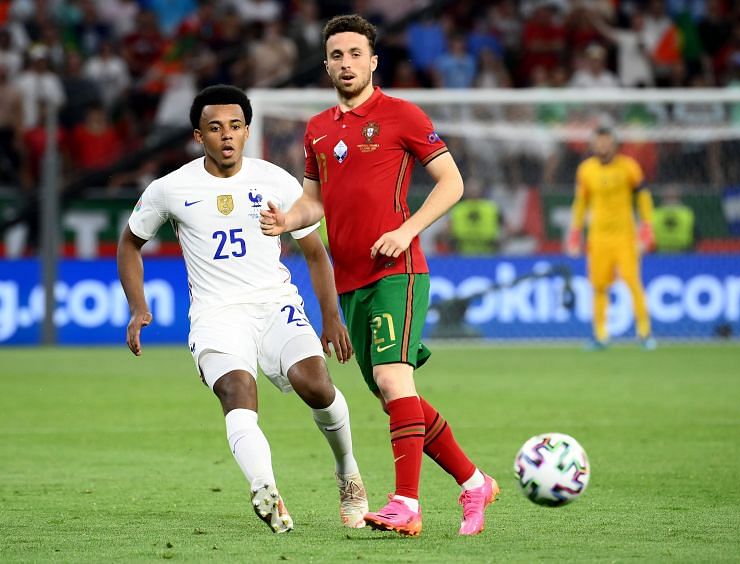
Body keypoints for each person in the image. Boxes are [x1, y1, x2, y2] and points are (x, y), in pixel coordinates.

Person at [260, 14, 499, 537]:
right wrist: (286, 219)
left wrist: (407, 230)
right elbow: (313, 202)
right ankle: (474, 481)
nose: (346, 63)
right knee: (393, 393)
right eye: (336, 56)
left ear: (373, 60)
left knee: (394, 380)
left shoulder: (402, 115)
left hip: (398, 269)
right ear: (326, 65)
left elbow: (452, 182)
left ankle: (406, 503)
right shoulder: (318, 128)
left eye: (355, 54)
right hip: (350, 282)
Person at [116, 84, 369, 533]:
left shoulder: (275, 180)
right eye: (215, 128)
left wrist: (331, 316)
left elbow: (314, 252)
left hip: (275, 304)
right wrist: (138, 307)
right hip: (216, 315)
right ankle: (265, 490)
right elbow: (130, 244)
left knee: (316, 386)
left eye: (234, 126)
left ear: (248, 131)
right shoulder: (170, 188)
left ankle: (348, 471)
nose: (226, 135)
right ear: (199, 136)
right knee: (236, 391)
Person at [566, 126, 657, 350]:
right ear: (593, 145)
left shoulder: (629, 167)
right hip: (598, 237)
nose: (603, 146)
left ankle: (644, 333)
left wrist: (647, 226)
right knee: (598, 286)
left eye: (606, 142)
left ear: (615, 144)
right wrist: (575, 233)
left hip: (625, 236)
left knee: (633, 282)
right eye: (599, 142)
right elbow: (580, 204)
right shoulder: (586, 170)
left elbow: (643, 198)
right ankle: (600, 335)